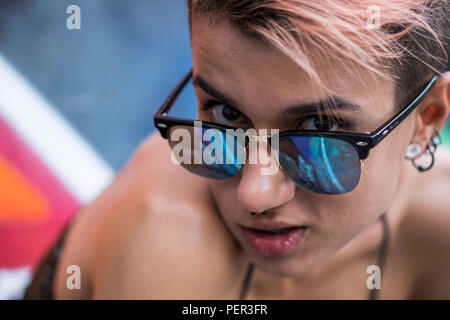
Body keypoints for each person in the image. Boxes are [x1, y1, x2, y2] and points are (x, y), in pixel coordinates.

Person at [32, 0, 450, 299]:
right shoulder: (169, 251)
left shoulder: (437, 227)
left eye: (319, 128)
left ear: (427, 118)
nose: (255, 194)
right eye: (227, 113)